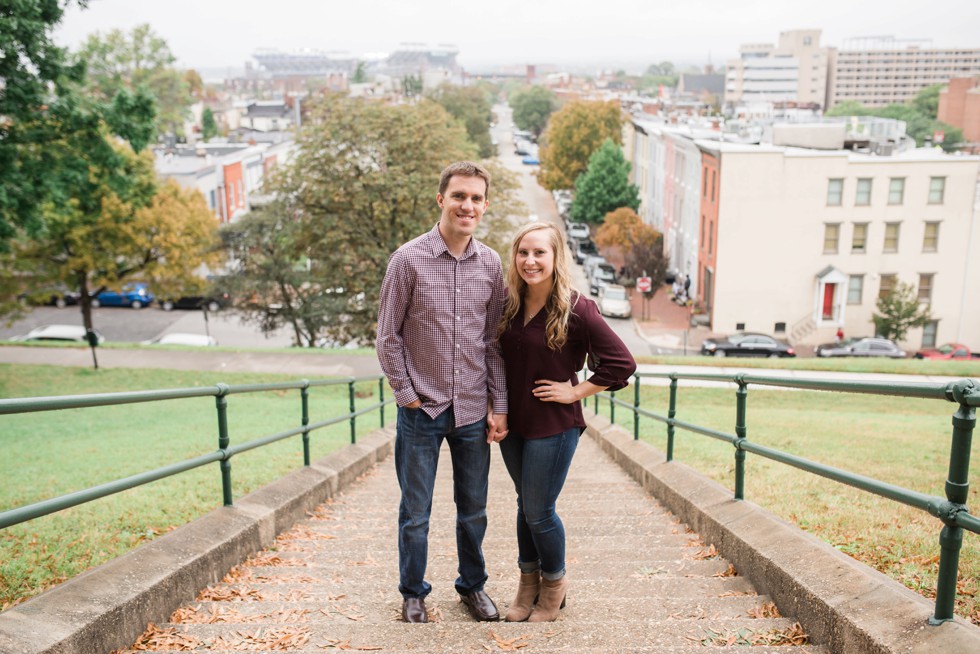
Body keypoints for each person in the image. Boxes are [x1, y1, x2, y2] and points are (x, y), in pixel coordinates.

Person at [376, 161, 509, 624]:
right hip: (421, 412)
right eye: (459, 196)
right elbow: (387, 335)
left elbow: (494, 343)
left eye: (475, 198)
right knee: (416, 512)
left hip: (473, 410)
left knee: (473, 510)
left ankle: (472, 588)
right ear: (441, 200)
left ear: (484, 205)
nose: (466, 205)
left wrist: (500, 406)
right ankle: (413, 593)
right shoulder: (407, 260)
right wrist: (407, 394)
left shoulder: (492, 264)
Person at [496, 222, 636, 622]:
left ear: (556, 258)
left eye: (540, 253)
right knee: (525, 507)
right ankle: (528, 585)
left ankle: (554, 585)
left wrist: (574, 392)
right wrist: (495, 408)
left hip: (555, 425)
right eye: (523, 252)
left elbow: (622, 363)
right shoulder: (508, 303)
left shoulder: (577, 309)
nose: (530, 261)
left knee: (539, 510)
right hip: (515, 425)